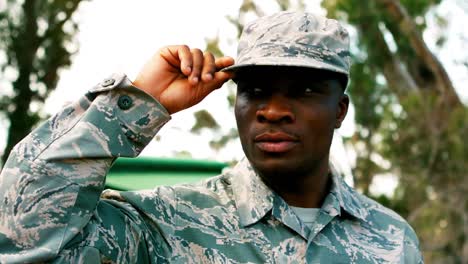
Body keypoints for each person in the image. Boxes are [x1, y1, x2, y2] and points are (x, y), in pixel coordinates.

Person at [0, 11, 422, 263]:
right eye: (255, 90)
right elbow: (24, 240)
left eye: (304, 91)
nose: (273, 110)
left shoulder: (391, 239)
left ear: (340, 112)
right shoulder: (166, 222)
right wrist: (133, 105)